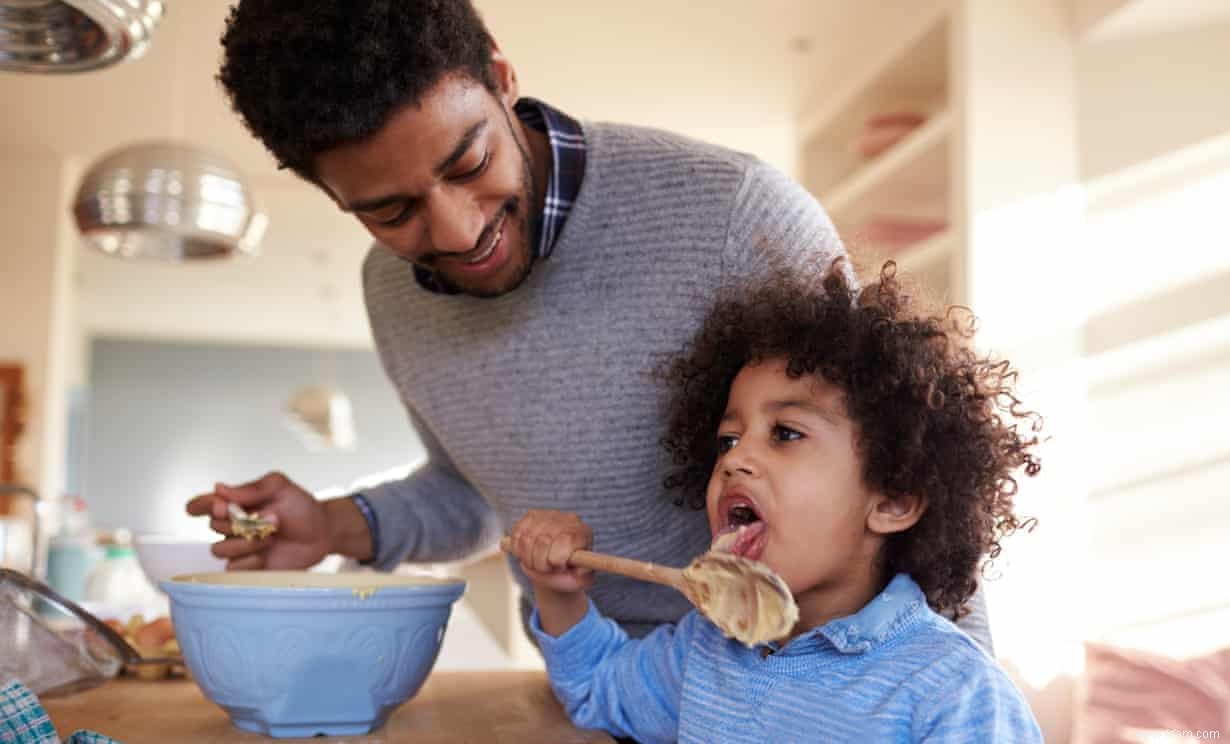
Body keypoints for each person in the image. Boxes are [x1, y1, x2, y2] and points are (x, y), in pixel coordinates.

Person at [186, 0, 992, 648]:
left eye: (468, 163)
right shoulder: (389, 292)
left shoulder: (732, 214)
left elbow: (897, 460)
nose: (458, 233)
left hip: (795, 697)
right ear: (334, 199)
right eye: (391, 211)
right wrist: (332, 524)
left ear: (500, 75)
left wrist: (964, 690)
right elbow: (474, 494)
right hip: (600, 692)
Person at [508, 261, 1044, 743]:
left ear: (894, 500)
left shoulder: (951, 693)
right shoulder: (708, 647)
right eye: (728, 439)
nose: (735, 460)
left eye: (785, 433)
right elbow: (600, 692)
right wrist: (557, 594)